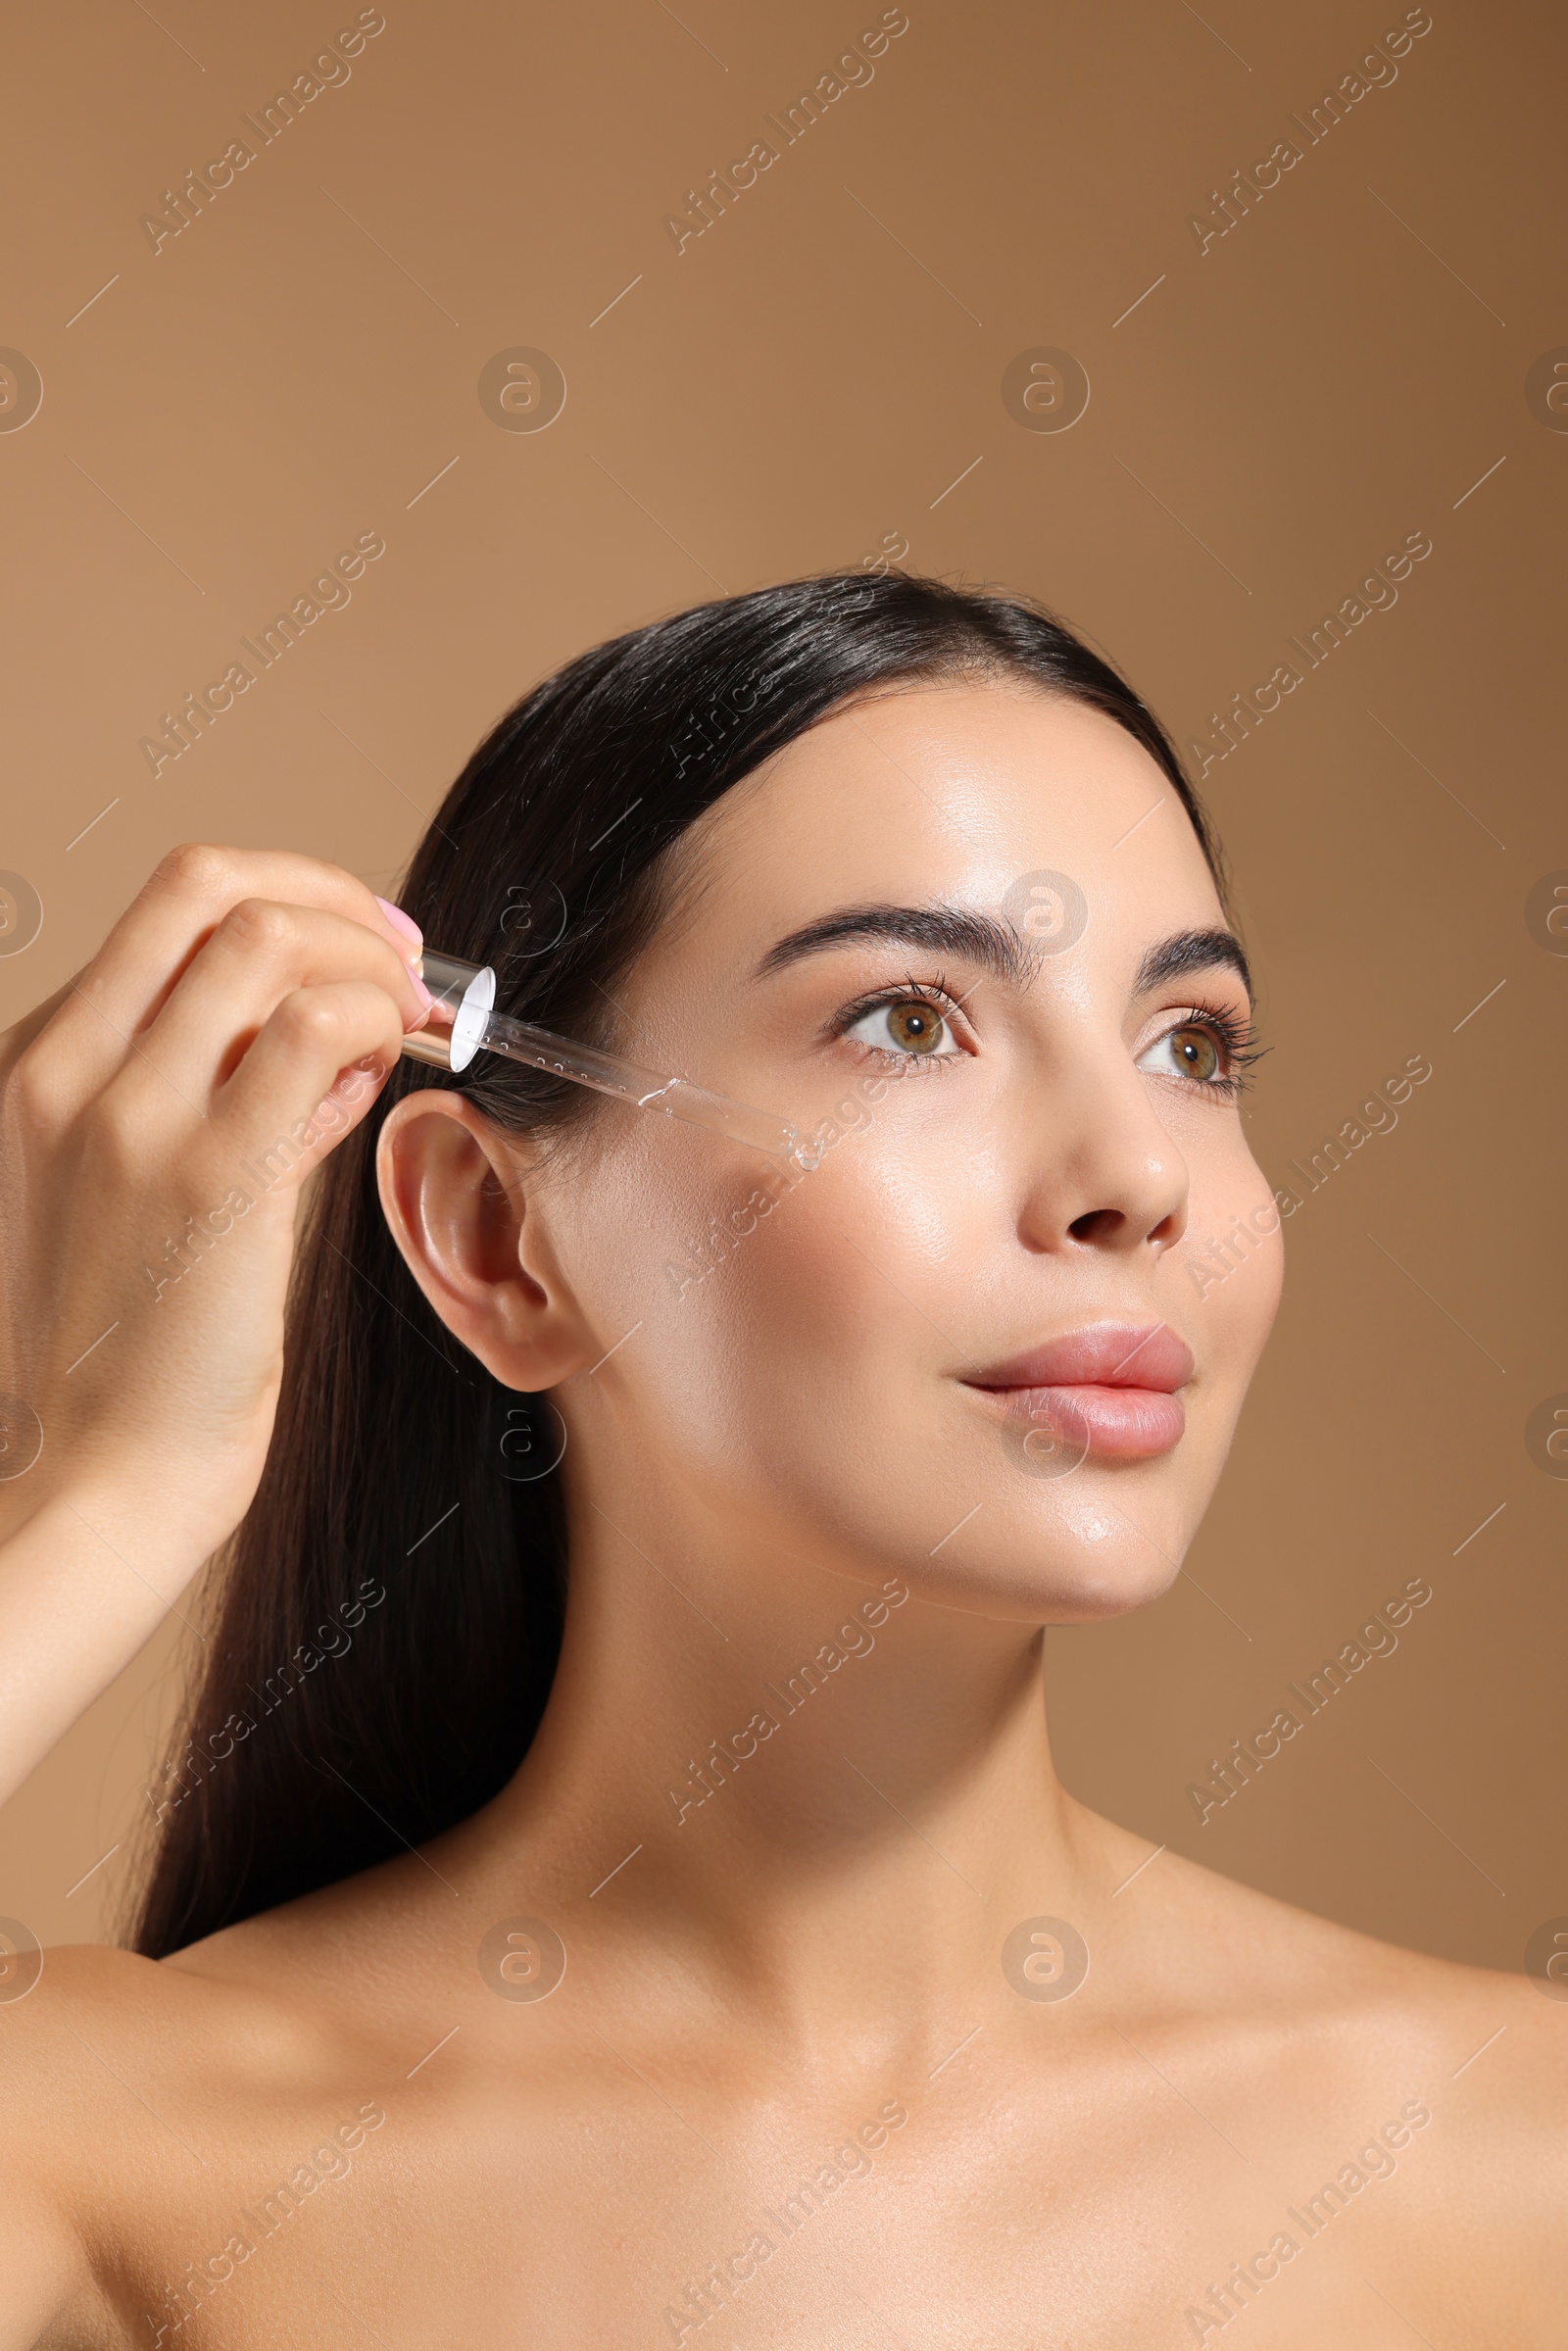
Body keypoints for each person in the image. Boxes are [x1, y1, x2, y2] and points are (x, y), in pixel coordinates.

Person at [0, 574, 1559, 2345]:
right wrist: (102, 1497)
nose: (1141, 1175)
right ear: (498, 1244)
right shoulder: (96, 2151)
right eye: (911, 1021)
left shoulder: (1511, 2160)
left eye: (1192, 1043)